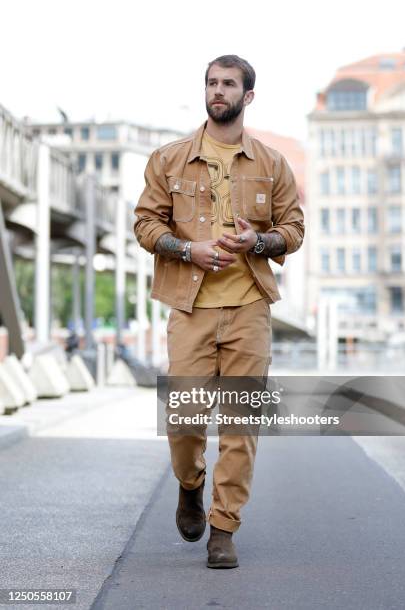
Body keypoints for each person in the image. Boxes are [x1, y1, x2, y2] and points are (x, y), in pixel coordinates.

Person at [134, 54, 304, 568]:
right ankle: (190, 483)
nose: (218, 90)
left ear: (247, 96)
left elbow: (293, 231)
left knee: (240, 423)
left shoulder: (272, 164)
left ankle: (223, 528)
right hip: (190, 307)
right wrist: (191, 250)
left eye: (229, 84)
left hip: (250, 306)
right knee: (184, 418)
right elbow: (145, 224)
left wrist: (260, 240)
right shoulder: (169, 159)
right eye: (212, 82)